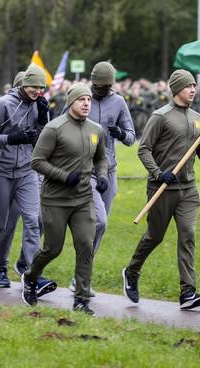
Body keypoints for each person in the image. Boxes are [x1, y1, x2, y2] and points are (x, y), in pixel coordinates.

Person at [123, 69, 200, 310]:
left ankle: (187, 292)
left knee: (188, 235)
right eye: (188, 86)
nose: (193, 89)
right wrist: (158, 173)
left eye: (194, 85)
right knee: (155, 236)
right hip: (162, 188)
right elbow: (143, 149)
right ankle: (132, 271)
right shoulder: (160, 116)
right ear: (176, 90)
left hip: (188, 190)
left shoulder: (197, 117)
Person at [21, 83, 108, 315]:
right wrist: (64, 176)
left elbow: (101, 158)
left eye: (89, 100)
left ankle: (81, 299)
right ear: (71, 102)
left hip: (83, 199)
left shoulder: (96, 129)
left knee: (85, 246)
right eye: (82, 100)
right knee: (52, 248)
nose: (87, 103)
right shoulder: (54, 128)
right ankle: (30, 277)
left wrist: (102, 176)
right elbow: (36, 161)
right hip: (55, 200)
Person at [0, 65, 48, 295]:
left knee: (33, 220)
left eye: (41, 87)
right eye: (34, 86)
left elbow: (42, 139)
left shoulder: (39, 104)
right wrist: (11, 139)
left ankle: (31, 271)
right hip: (2, 171)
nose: (38, 90)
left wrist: (44, 119)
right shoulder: (4, 104)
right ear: (23, 85)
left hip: (27, 171)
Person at [79, 61, 135, 292]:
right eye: (99, 88)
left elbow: (132, 137)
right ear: (92, 84)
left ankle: (81, 274)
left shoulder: (119, 102)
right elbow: (62, 126)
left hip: (109, 172)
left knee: (101, 225)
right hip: (85, 171)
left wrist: (120, 133)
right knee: (97, 221)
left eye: (107, 88)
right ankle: (82, 276)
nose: (102, 91)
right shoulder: (81, 97)